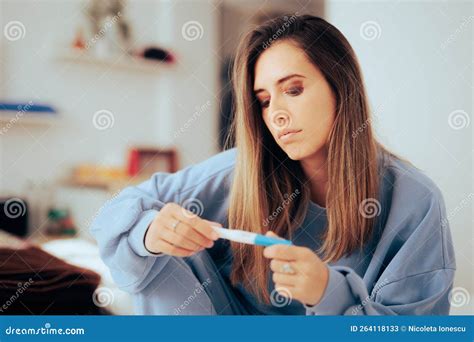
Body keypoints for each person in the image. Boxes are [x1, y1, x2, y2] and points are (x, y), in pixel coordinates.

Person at [91, 15, 455, 315]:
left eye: (293, 90)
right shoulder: (235, 174)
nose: (277, 114)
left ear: (340, 86)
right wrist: (150, 233)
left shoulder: (415, 202)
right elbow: (115, 214)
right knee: (152, 241)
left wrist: (330, 293)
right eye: (263, 101)